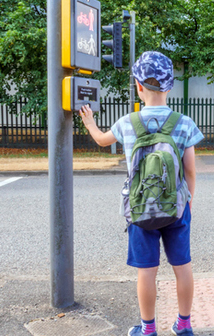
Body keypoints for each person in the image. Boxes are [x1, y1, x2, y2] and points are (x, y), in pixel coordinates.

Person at [79, 51, 204, 336]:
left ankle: (148, 329)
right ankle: (183, 325)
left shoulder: (127, 123)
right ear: (170, 86)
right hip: (177, 208)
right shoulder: (184, 123)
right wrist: (189, 202)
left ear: (138, 86)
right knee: (182, 266)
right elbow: (191, 171)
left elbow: (100, 140)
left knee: (146, 271)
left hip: (139, 209)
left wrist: (89, 122)